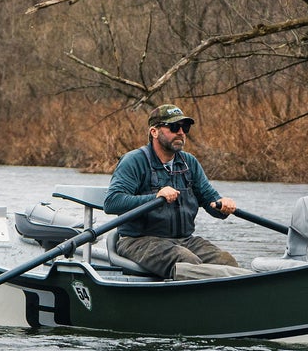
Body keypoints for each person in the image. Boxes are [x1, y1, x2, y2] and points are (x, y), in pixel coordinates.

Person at [104, 104, 248, 279]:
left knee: (226, 261)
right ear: (154, 132)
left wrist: (223, 206)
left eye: (184, 127)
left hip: (184, 240)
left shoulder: (189, 162)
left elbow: (210, 199)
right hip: (138, 240)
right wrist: (155, 198)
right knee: (187, 262)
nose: (181, 132)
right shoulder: (134, 161)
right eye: (173, 127)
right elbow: (112, 202)